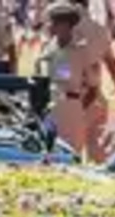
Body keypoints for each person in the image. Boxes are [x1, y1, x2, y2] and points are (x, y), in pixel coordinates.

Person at [69, 0, 115, 161]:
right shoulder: (98, 31)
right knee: (97, 155)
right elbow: (112, 67)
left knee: (70, 153)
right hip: (94, 100)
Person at [34, 1, 96, 157]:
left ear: (67, 25)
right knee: (46, 151)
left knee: (70, 152)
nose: (49, 26)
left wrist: (77, 107)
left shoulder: (82, 51)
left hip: (70, 109)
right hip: (47, 107)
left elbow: (93, 87)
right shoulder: (47, 47)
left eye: (54, 22)